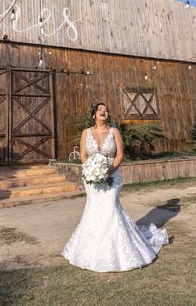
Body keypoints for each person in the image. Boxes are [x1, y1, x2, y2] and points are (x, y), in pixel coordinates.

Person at [62, 102, 169, 272]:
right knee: (93, 209)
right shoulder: (85, 133)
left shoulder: (114, 132)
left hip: (112, 177)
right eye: (100, 109)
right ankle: (93, 251)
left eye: (106, 110)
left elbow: (120, 154)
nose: (104, 111)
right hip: (92, 179)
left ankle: (116, 251)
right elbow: (83, 155)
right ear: (94, 114)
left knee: (111, 207)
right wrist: (90, 170)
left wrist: (109, 170)